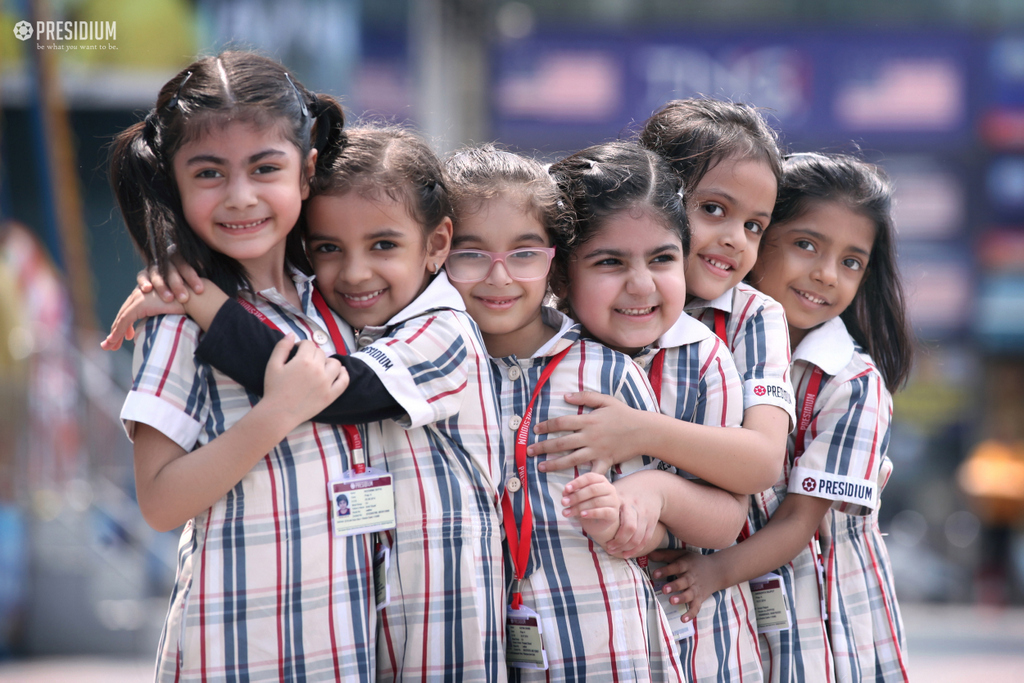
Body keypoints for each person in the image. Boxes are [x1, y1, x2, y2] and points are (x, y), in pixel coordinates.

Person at [106, 125, 506, 681]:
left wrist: (197, 297)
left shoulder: (446, 330)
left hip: (446, 624)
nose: (356, 272)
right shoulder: (326, 316)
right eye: (328, 249)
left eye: (383, 245)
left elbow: (331, 388)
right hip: (366, 632)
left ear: (437, 244)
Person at [108, 52, 378, 681]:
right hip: (235, 652)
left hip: (347, 647)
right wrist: (277, 412)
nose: (240, 197)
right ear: (174, 183)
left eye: (265, 168)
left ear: (306, 172)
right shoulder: (177, 319)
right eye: (209, 173)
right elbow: (160, 501)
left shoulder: (334, 299)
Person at [443, 143, 743, 680]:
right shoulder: (431, 371)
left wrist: (638, 508)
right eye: (610, 262)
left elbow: (734, 499)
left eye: (661, 258)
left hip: (625, 644)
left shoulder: (624, 372)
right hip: (475, 646)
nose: (640, 284)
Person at [529, 100, 792, 682]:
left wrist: (642, 438)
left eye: (754, 226)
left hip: (701, 607)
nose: (733, 240)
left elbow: (760, 462)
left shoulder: (748, 320)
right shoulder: (562, 325)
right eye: (713, 210)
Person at [653, 152, 914, 683]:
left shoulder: (851, 382)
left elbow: (800, 520)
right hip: (722, 614)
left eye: (851, 261)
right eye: (806, 245)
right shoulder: (697, 339)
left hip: (823, 616)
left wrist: (714, 572)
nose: (825, 274)